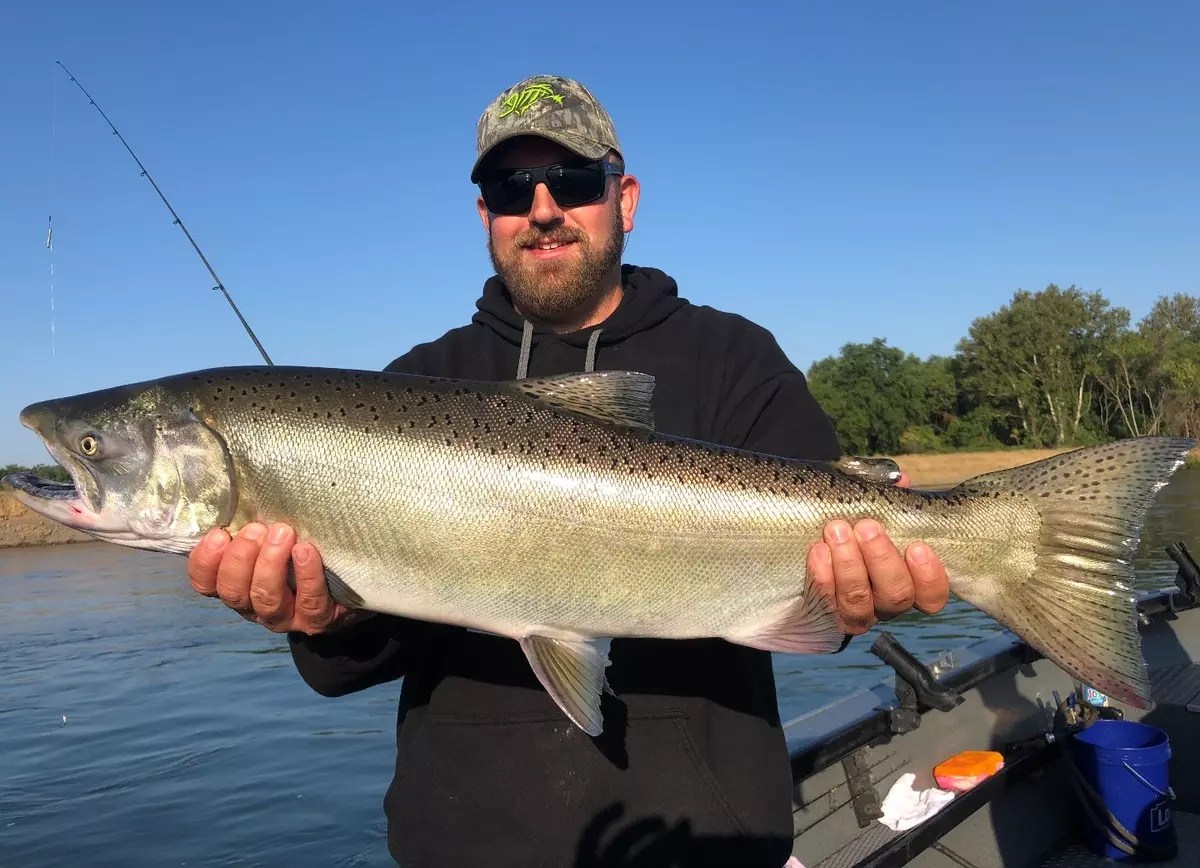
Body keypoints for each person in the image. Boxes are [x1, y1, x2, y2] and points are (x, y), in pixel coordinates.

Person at [186, 75, 950, 868]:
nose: (543, 208)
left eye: (575, 180)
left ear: (625, 199)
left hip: (709, 843)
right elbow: (349, 667)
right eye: (511, 187)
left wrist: (864, 599)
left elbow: (835, 613)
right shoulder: (411, 385)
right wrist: (319, 616)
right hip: (460, 846)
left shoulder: (736, 361)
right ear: (485, 214)